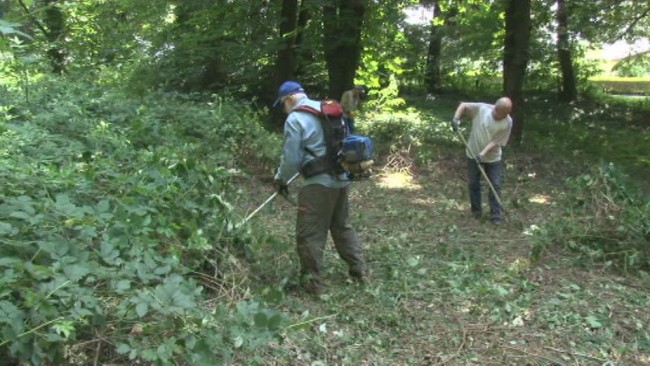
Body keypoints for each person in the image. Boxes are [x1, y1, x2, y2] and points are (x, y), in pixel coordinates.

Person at [272, 80, 366, 294]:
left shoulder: (296, 118)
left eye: (283, 104)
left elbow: (291, 158)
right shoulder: (329, 110)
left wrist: (280, 179)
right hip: (341, 179)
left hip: (317, 185)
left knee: (309, 233)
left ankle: (311, 283)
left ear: (289, 99)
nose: (284, 110)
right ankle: (359, 270)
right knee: (342, 226)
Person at [451, 97, 513, 224]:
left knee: (495, 185)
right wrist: (456, 119)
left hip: (493, 158)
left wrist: (483, 154)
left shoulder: (508, 122)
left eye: (506, 114)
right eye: (502, 114)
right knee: (474, 183)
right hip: (472, 153)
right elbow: (463, 104)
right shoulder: (482, 109)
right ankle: (476, 212)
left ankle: (496, 215)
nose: (504, 117)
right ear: (495, 108)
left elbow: (497, 141)